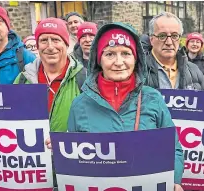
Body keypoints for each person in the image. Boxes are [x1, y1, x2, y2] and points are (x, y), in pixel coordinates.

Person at [47, 22, 185, 191]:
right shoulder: (80, 105)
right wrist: (61, 150)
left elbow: (173, 148)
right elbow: (75, 164)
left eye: (126, 53)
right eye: (110, 54)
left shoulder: (153, 98)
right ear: (99, 59)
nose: (119, 62)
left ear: (136, 59)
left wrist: (174, 180)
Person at [12, 17, 87, 132]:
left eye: (56, 40)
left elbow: (94, 123)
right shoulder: (23, 78)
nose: (50, 47)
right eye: (44, 40)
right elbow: (10, 117)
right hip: (32, 148)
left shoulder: (84, 78)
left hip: (69, 149)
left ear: (66, 44)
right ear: (37, 46)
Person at [143, 12, 204, 90]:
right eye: (162, 36)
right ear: (151, 39)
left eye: (174, 36)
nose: (169, 42)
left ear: (179, 38)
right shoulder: (139, 71)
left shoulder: (194, 70)